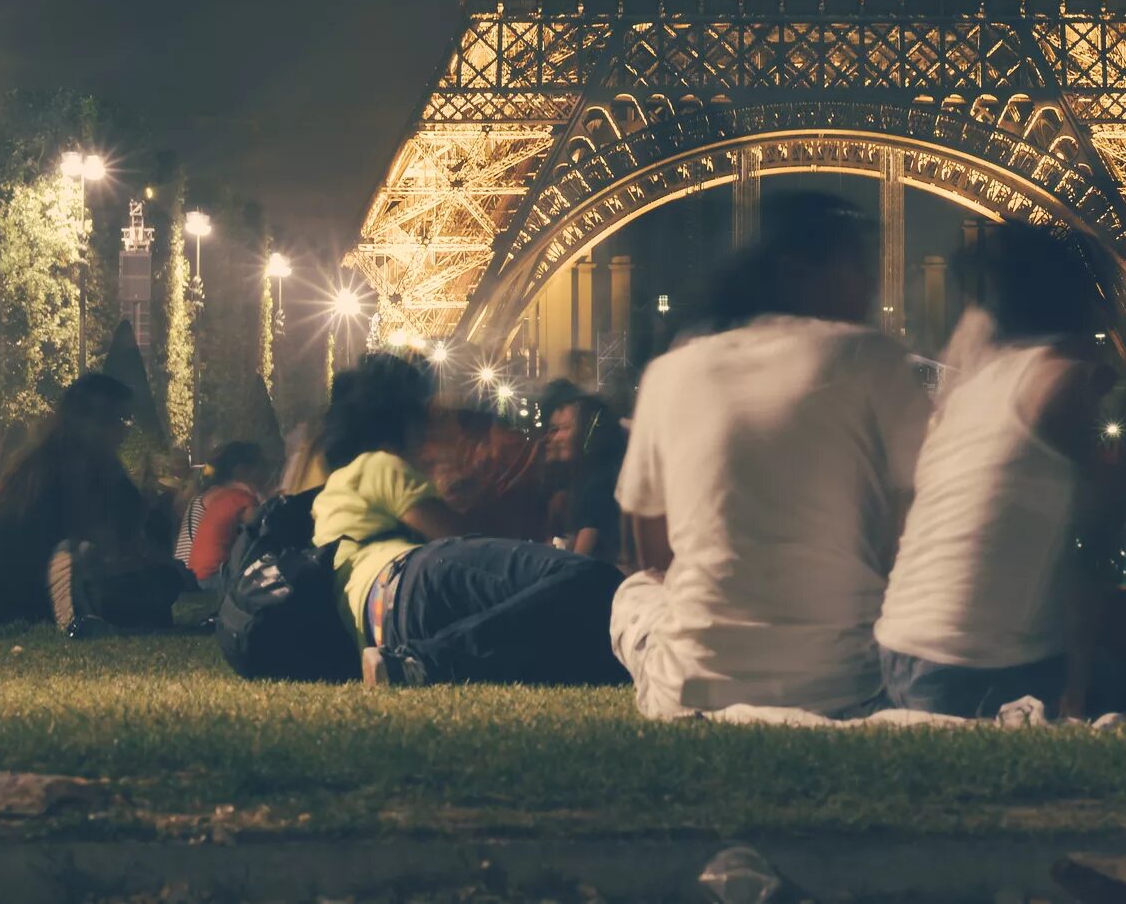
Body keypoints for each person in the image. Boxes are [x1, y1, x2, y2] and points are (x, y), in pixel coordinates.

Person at [610, 191, 933, 718]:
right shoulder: (877, 359)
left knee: (633, 593)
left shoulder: (672, 371)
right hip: (844, 684)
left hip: (689, 690)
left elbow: (654, 557)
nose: (870, 285)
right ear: (798, 271)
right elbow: (909, 538)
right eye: (855, 267)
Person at [873, 220, 1118, 718]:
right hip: (974, 668)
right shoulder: (1064, 382)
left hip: (899, 646)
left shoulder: (970, 390)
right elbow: (1099, 543)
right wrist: (1078, 688)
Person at [311, 355, 621, 685]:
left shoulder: (330, 496)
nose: (430, 437)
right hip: (410, 584)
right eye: (424, 424)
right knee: (591, 576)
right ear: (404, 426)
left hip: (386, 627)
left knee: (564, 635)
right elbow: (458, 538)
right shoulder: (376, 465)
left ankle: (415, 662)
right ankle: (425, 661)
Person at [0, 372, 189, 633]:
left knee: (161, 578)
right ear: (96, 420)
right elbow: (111, 536)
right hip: (25, 595)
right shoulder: (74, 467)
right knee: (140, 575)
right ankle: (76, 619)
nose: (125, 430)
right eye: (121, 419)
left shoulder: (40, 462)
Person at [538, 380, 625, 558]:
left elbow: (579, 564)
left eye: (564, 428)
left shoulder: (598, 488)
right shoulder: (577, 484)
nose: (555, 438)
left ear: (588, 434)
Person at [176, 440, 274, 588]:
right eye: (261, 465)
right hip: (212, 575)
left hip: (192, 572)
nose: (267, 470)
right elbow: (262, 527)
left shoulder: (214, 495)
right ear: (241, 471)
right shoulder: (239, 497)